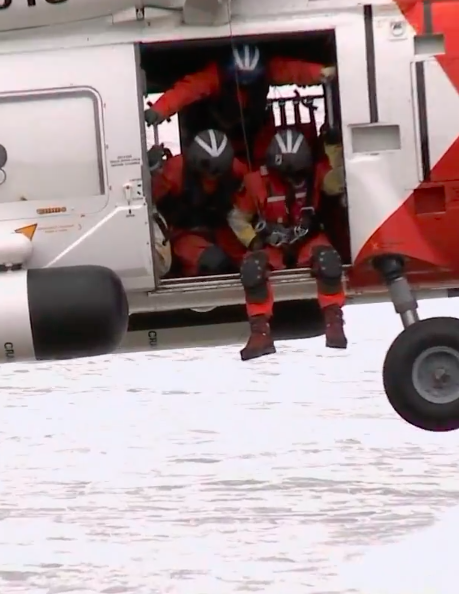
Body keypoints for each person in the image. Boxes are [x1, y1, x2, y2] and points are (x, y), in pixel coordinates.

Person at [226, 127, 347, 361]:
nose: (294, 179)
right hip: (272, 245)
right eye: (287, 175)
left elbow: (339, 181)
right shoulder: (256, 182)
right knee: (252, 269)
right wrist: (254, 240)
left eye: (299, 174)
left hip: (308, 239)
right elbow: (237, 217)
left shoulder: (318, 174)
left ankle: (334, 322)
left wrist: (335, 149)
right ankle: (260, 332)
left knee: (329, 262)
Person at [144, 43, 336, 165]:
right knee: (216, 160)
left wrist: (321, 73)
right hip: (218, 129)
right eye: (241, 80)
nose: (246, 84)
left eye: (250, 80)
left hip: (255, 126)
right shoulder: (214, 75)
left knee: (261, 160)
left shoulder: (268, 69)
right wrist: (159, 110)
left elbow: (293, 70)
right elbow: (187, 90)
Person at [152, 128, 251, 277]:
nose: (212, 178)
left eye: (218, 173)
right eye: (208, 172)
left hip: (224, 230)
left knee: (251, 263)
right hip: (184, 234)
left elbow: (253, 196)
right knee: (213, 262)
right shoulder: (173, 172)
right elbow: (150, 203)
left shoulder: (237, 170)